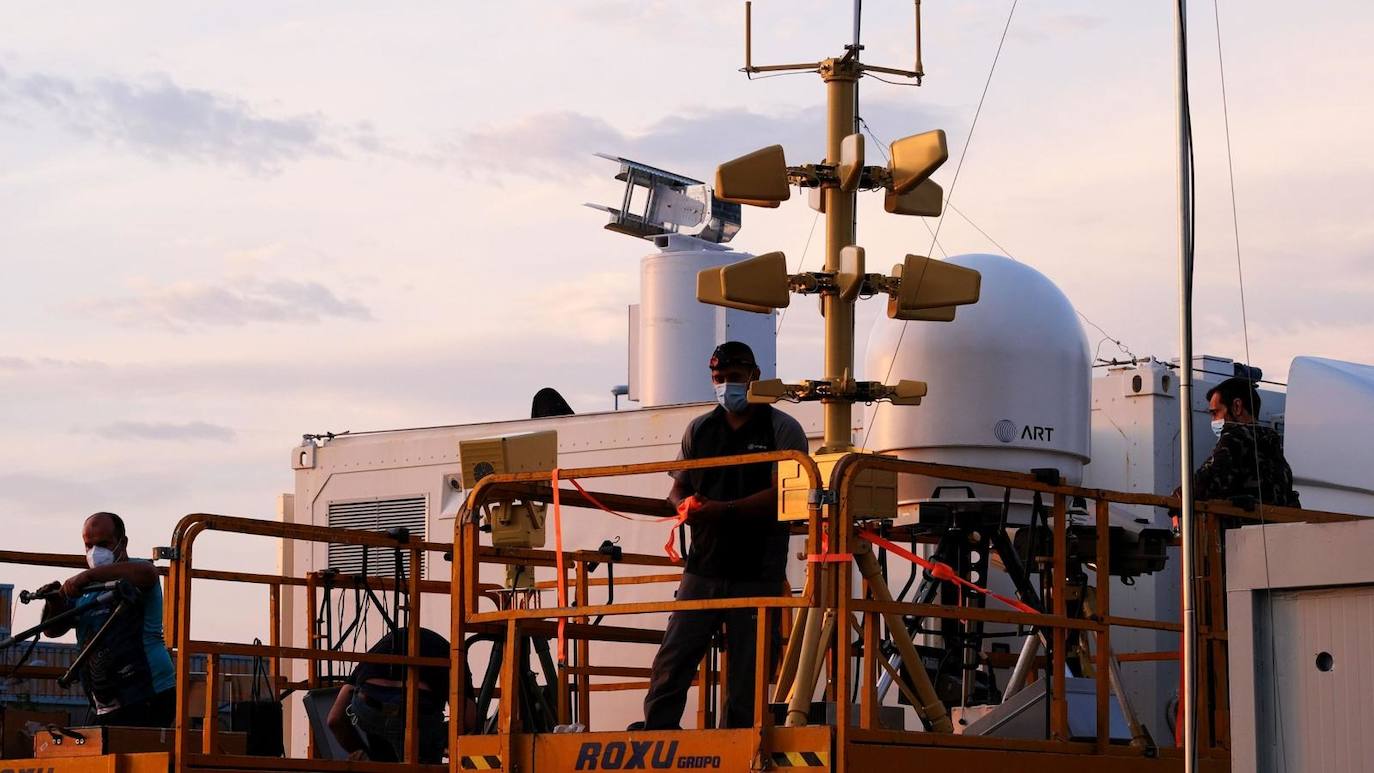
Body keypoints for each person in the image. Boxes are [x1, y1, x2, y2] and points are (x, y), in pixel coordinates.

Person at [640, 341, 808, 730]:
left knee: (747, 671)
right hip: (704, 567)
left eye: (733, 378)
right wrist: (685, 504)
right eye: (719, 378)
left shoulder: (781, 429)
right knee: (673, 659)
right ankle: (658, 735)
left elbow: (787, 493)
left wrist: (722, 510)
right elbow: (677, 486)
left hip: (757, 569)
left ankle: (739, 744)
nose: (725, 386)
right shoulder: (700, 429)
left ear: (754, 376)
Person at [39, 512, 176, 727]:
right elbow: (53, 630)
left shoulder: (135, 571)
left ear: (123, 543)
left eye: (103, 543)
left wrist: (89, 575)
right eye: (89, 546)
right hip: (105, 698)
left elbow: (149, 573)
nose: (95, 552)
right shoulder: (86, 590)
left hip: (147, 690)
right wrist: (55, 602)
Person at [325, 626, 475, 763]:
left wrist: (363, 754)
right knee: (423, 746)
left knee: (382, 738)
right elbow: (468, 720)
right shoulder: (454, 656)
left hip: (370, 707)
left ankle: (372, 763)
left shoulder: (382, 648)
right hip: (414, 713)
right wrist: (436, 737)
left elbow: (334, 719)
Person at [1181, 376, 1301, 517]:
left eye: (1215, 413)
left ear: (1237, 407)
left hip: (1239, 535)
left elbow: (1201, 486)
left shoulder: (1235, 439)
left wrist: (1177, 497)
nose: (1213, 420)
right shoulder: (1273, 447)